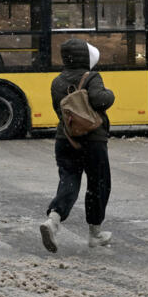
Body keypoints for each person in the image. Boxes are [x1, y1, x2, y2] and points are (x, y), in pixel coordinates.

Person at [40, 38, 115, 253]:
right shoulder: (91, 77)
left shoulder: (57, 82)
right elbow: (100, 100)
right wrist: (110, 94)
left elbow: (60, 110)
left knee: (69, 180)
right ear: (85, 57)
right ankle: (95, 233)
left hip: (65, 139)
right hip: (92, 141)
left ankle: (53, 221)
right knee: (98, 184)